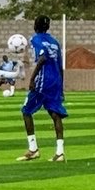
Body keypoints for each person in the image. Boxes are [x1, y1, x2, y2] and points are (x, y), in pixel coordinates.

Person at [17, 15, 67, 162]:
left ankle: (33, 149)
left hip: (43, 81)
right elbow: (60, 66)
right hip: (56, 80)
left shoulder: (35, 39)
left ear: (35, 25)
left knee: (26, 111)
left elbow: (42, 58)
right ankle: (60, 152)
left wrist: (32, 79)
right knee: (55, 114)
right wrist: (61, 87)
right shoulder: (55, 42)